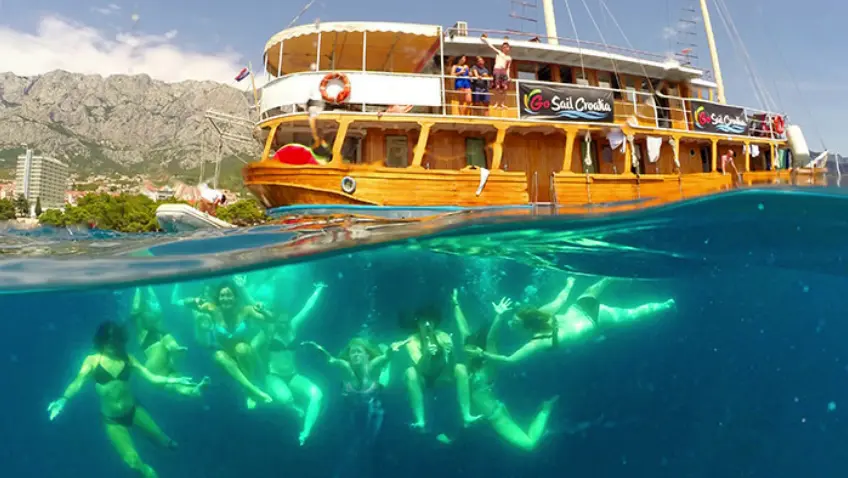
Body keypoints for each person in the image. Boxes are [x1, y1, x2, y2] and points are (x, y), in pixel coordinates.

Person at [47, 321, 198, 478]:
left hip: (134, 411)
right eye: (107, 340)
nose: (111, 345)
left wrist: (174, 380)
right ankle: (147, 471)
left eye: (115, 340)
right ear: (101, 340)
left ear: (120, 341)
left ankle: (169, 449)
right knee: (132, 462)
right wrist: (63, 399)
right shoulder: (92, 360)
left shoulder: (128, 359)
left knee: (166, 441)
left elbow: (151, 377)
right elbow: (78, 381)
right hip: (112, 420)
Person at [470, 277, 676, 365]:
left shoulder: (540, 340)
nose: (510, 324)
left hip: (593, 319)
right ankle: (615, 276)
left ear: (525, 325)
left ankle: (666, 305)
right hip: (582, 307)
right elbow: (560, 300)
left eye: (513, 322)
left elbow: (510, 360)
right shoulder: (541, 316)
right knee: (599, 287)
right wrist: (569, 284)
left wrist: (483, 354)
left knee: (632, 314)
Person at [451, 290, 558, 451]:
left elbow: (491, 339)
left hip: (494, 415)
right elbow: (463, 328)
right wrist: (455, 303)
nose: (466, 350)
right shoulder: (467, 362)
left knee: (529, 445)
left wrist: (499, 316)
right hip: (478, 414)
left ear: (479, 349)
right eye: (466, 348)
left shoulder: (489, 365)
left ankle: (545, 409)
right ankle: (456, 437)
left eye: (471, 348)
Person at [302, 336, 410, 476]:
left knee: (371, 435)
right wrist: (318, 348)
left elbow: (386, 356)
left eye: (359, 351)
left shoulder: (372, 366)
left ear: (366, 355)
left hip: (375, 405)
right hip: (353, 408)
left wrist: (391, 349)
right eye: (353, 352)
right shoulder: (346, 368)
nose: (356, 354)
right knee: (355, 440)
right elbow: (331, 360)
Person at [251, 282, 328, 445]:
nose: (284, 325)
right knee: (286, 399)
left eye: (286, 321)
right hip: (273, 376)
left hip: (293, 376)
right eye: (281, 322)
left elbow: (307, 309)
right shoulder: (269, 331)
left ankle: (306, 432)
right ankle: (297, 410)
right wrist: (243, 288)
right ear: (275, 321)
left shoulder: (292, 327)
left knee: (317, 395)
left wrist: (318, 290)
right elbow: (254, 309)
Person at [190, 281, 274, 407]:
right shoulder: (212, 309)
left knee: (240, 348)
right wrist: (195, 300)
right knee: (219, 356)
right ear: (218, 298)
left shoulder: (245, 310)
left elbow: (270, 319)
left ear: (235, 297)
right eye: (222, 295)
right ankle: (254, 391)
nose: (226, 299)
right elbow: (186, 304)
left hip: (244, 352)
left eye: (229, 295)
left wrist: (263, 309)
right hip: (224, 353)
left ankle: (249, 390)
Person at [399, 306, 482, 431]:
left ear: (435, 323)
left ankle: (467, 415)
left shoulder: (443, 336)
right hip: (423, 377)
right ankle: (420, 420)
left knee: (460, 368)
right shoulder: (412, 341)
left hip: (442, 375)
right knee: (410, 372)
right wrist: (427, 354)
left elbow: (450, 364)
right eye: (423, 321)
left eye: (430, 321)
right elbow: (421, 368)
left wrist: (446, 352)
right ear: (418, 323)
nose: (427, 325)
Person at [129, 286, 209, 397]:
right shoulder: (142, 329)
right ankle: (174, 348)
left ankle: (194, 389)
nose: (150, 312)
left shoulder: (158, 323)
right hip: (156, 368)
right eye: (147, 311)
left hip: (168, 364)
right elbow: (136, 308)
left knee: (178, 379)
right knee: (165, 341)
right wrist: (138, 287)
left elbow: (154, 303)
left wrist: (149, 285)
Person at [481, 34, 512, 109]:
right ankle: (497, 103)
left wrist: (508, 76)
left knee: (505, 88)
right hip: (497, 70)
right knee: (497, 87)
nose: (505, 48)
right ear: (502, 48)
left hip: (503, 72)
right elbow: (491, 46)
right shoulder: (499, 53)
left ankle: (502, 103)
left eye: (506, 47)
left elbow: (508, 68)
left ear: (508, 48)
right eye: (504, 47)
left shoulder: (509, 58)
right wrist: (485, 39)